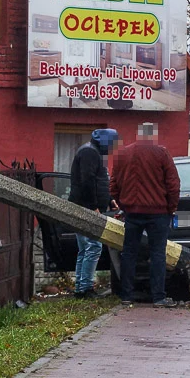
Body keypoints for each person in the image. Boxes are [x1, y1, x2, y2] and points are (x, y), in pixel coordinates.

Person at [110, 122, 180, 307]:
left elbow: (114, 183)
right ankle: (158, 296)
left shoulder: (123, 154)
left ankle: (126, 295)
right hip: (158, 212)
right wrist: (171, 208)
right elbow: (173, 183)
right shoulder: (162, 153)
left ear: (138, 134)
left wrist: (123, 203)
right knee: (157, 253)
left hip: (132, 212)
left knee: (129, 253)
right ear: (153, 135)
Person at [69, 128, 119, 299]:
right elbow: (87, 180)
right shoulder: (90, 153)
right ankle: (86, 288)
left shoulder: (92, 151)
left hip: (86, 206)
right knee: (93, 246)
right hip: (86, 207)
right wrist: (93, 206)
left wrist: (109, 199)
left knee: (85, 248)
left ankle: (81, 287)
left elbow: (99, 180)